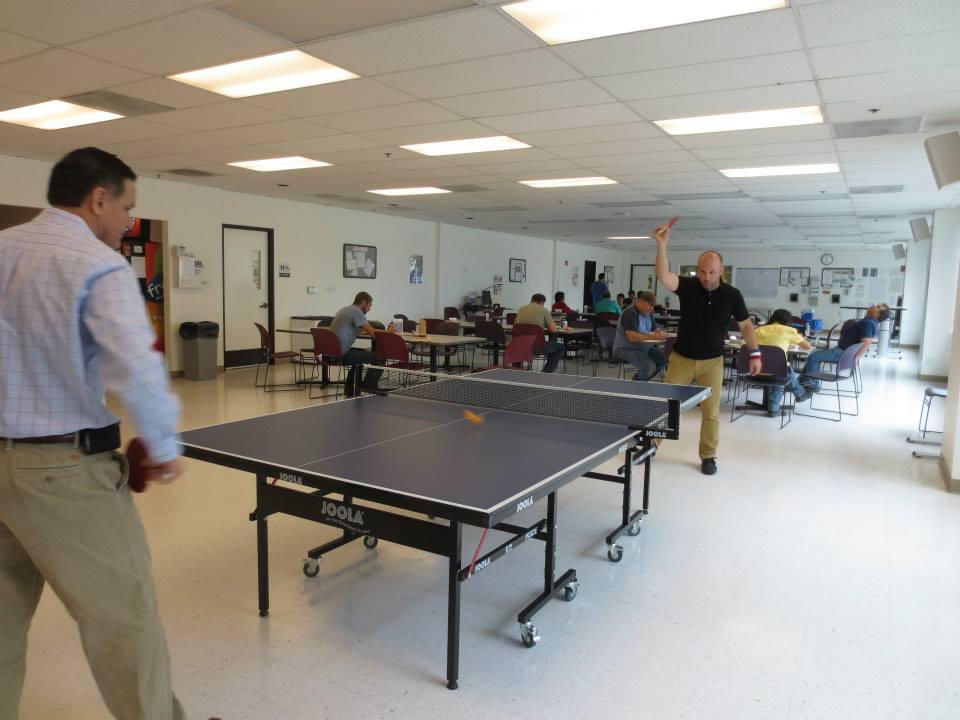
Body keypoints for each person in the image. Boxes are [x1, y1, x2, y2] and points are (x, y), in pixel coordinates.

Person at [0, 147, 186, 718]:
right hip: (63, 472)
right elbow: (137, 364)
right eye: (127, 207)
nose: (128, 222)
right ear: (97, 198)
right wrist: (163, 447)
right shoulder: (98, 264)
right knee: (124, 621)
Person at [655, 223, 761, 475]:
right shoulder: (688, 287)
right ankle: (651, 445)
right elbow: (663, 276)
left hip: (712, 362)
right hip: (681, 358)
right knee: (666, 406)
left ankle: (709, 456)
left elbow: (746, 326)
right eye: (702, 271)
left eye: (711, 272)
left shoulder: (732, 295)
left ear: (721, 271)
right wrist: (662, 244)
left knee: (711, 413)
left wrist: (755, 352)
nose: (706, 277)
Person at [801, 303, 889, 391]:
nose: (874, 305)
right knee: (814, 356)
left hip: (843, 352)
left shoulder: (868, 323)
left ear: (877, 315)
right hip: (844, 351)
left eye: (877, 307)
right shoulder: (870, 322)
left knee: (814, 357)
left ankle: (812, 386)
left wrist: (857, 357)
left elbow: (866, 341)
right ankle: (801, 384)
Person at [330, 291, 395, 395]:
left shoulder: (345, 309)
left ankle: (350, 388)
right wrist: (389, 332)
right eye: (369, 305)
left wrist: (364, 330)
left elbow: (352, 328)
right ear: (363, 302)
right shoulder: (357, 312)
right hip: (342, 354)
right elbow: (373, 333)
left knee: (361, 353)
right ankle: (370, 386)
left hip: (331, 353)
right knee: (381, 355)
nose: (370, 308)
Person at [754, 309, 812, 415]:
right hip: (777, 372)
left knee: (785, 371)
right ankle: (775, 407)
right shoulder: (789, 330)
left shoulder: (759, 330)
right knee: (784, 371)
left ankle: (800, 394)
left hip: (756, 370)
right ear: (787, 321)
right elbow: (807, 347)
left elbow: (745, 344)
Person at [612, 291, 668, 381]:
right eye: (650, 305)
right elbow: (632, 337)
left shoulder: (648, 313)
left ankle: (642, 382)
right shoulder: (630, 313)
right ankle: (634, 386)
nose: (652, 309)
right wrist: (654, 337)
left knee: (663, 359)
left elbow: (654, 328)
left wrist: (660, 332)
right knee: (649, 367)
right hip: (625, 349)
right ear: (641, 301)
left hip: (643, 348)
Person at [514, 293, 564, 373]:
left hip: (520, 344)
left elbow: (516, 326)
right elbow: (553, 329)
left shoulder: (521, 309)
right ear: (542, 302)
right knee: (560, 347)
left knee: (523, 344)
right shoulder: (543, 310)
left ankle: (515, 369)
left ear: (531, 300)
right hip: (536, 346)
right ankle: (545, 373)